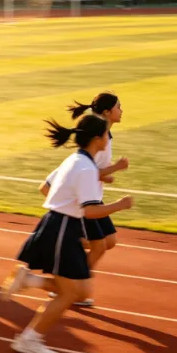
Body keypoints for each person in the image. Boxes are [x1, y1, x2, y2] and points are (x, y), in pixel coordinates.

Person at [0, 114, 134, 353]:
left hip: (59, 226)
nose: (108, 138)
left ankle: (29, 281)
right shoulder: (85, 168)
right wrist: (120, 205)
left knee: (81, 290)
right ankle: (29, 339)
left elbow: (47, 186)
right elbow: (90, 210)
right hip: (63, 227)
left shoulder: (76, 160)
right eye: (105, 134)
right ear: (96, 138)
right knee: (69, 293)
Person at [42, 93, 128, 308]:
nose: (122, 110)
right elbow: (90, 170)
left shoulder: (103, 135)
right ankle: (70, 286)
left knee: (109, 242)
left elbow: (93, 170)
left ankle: (69, 273)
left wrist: (105, 175)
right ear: (107, 112)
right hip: (87, 203)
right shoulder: (99, 138)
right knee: (99, 246)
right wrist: (115, 168)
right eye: (119, 107)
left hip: (92, 198)